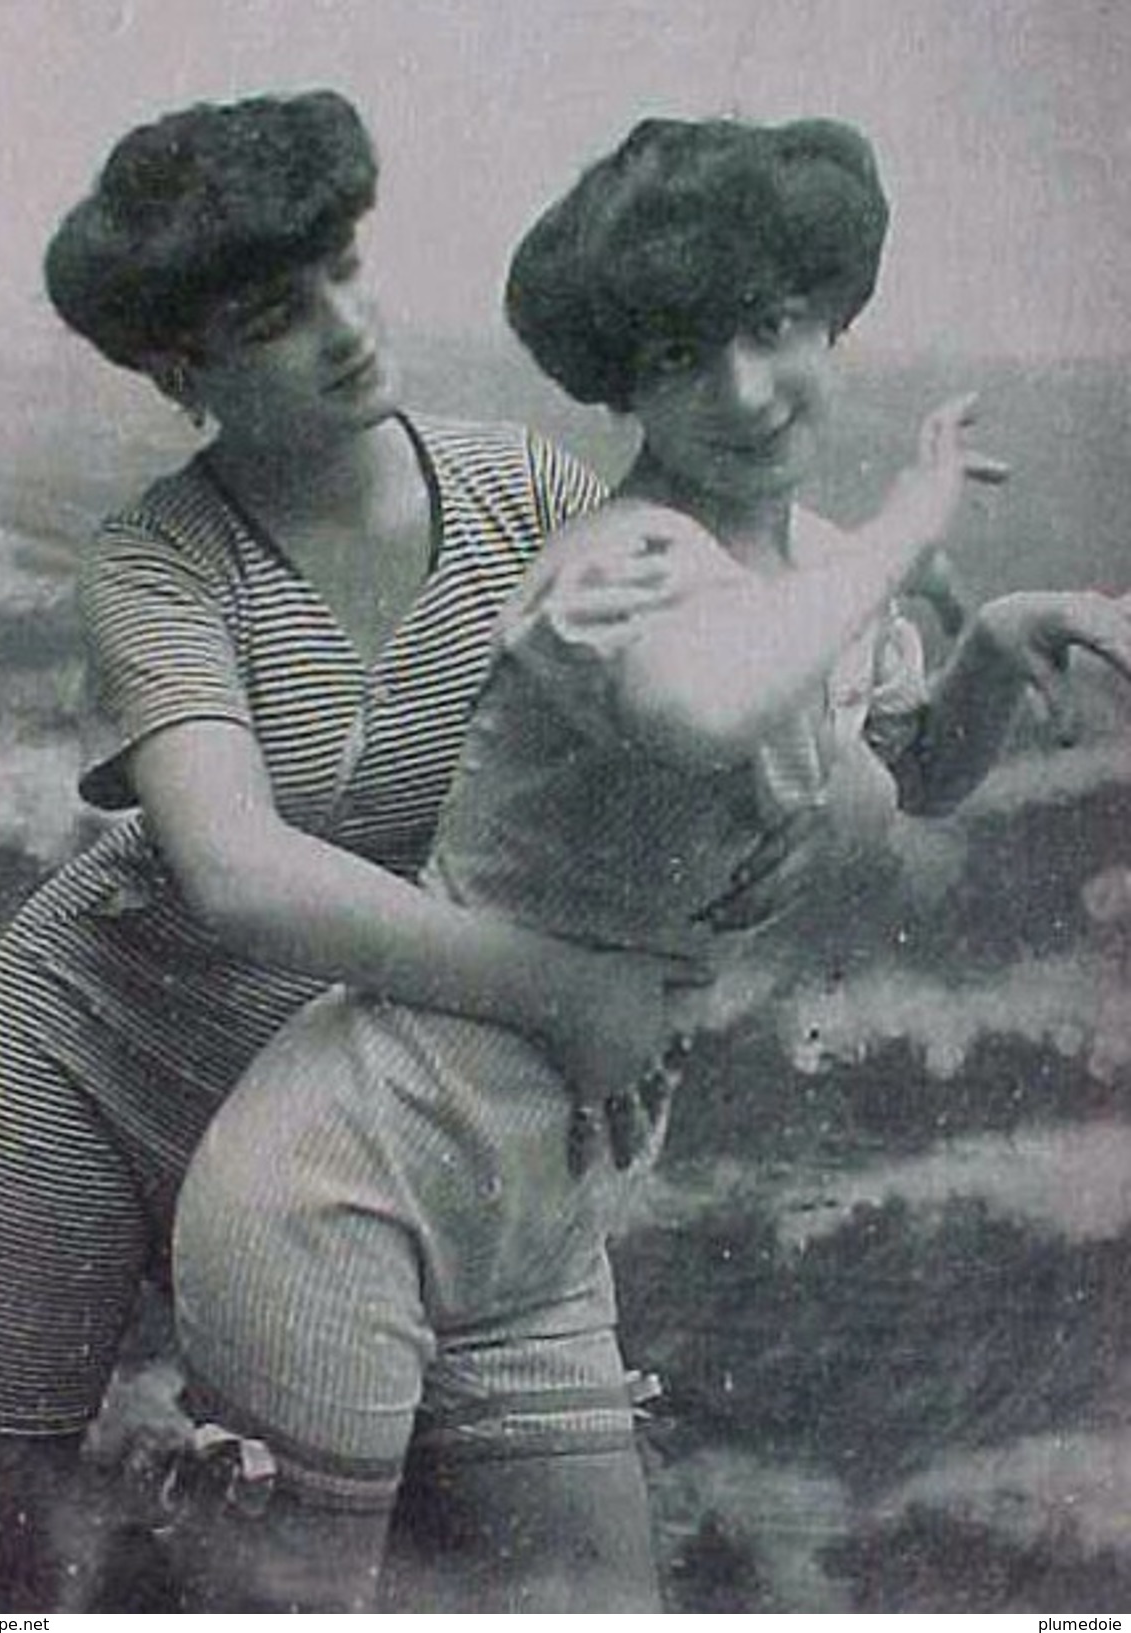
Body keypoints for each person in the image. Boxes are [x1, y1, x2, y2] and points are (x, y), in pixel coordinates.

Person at [169, 114, 1131, 1612]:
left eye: (772, 327)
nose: (745, 391)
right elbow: (702, 707)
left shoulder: (804, 571)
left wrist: (992, 649)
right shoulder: (617, 572)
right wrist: (911, 519)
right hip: (343, 1182)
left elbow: (903, 778)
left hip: (536, 1221)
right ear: (625, 380)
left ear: (831, 312)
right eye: (683, 357)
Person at [0, 91, 681, 1609]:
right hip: (96, 1061)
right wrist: (569, 990)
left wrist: (960, 653)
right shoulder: (155, 558)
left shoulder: (526, 494)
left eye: (341, 268)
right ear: (184, 368)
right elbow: (237, 873)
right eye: (276, 312)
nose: (343, 325)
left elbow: (722, 679)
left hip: (385, 1100)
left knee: (582, 1585)